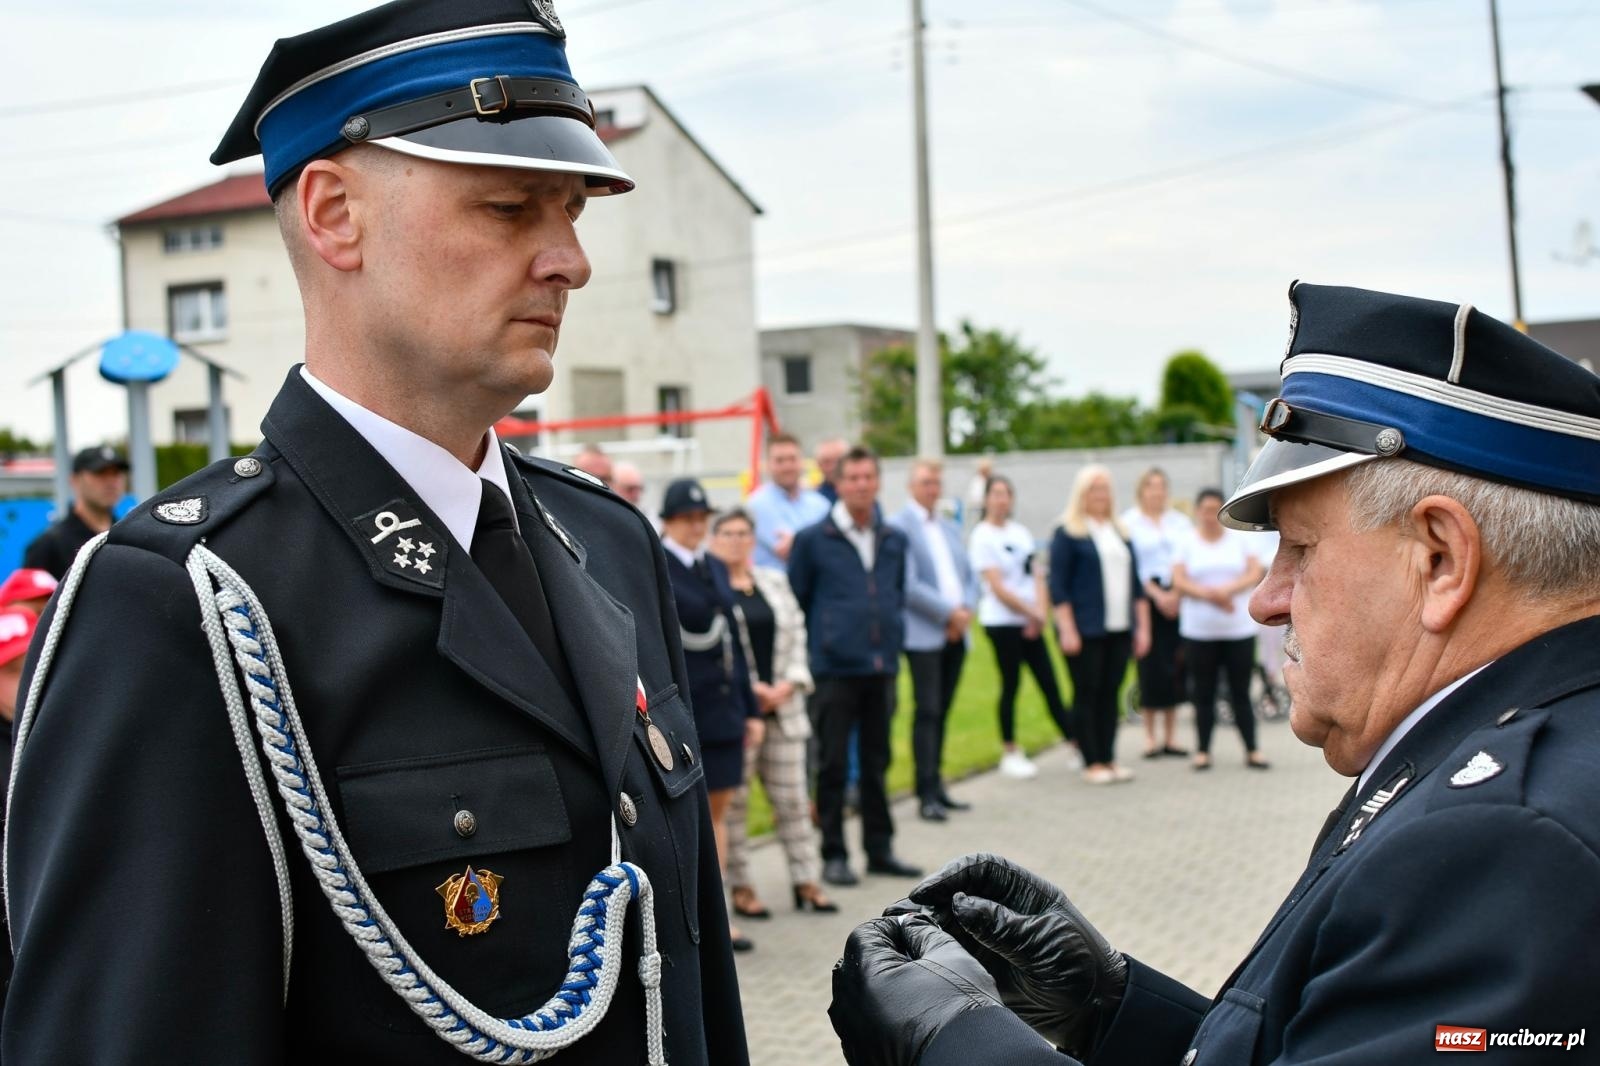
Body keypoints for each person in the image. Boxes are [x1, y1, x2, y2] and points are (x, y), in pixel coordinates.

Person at [3, 4, 748, 1062]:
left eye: (574, 212)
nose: (570, 261)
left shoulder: (608, 540)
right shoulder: (185, 602)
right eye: (509, 207)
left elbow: (685, 988)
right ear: (334, 215)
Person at [829, 282, 1600, 1066]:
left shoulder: (1500, 843)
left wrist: (958, 1047)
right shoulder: (1514, 762)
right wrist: (1111, 1009)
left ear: (1438, 559)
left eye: (1300, 547)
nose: (1267, 599)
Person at [788, 446, 921, 886]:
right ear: (839, 484)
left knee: (876, 761)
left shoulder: (893, 539)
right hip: (833, 670)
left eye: (869, 477)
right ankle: (834, 853)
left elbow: (894, 594)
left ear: (878, 482)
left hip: (881, 667)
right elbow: (799, 600)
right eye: (853, 478)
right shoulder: (813, 540)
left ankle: (879, 848)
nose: (862, 485)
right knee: (831, 764)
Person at [710, 509, 838, 918]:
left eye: (743, 533)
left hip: (784, 709)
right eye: (727, 533)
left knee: (794, 801)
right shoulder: (709, 587)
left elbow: (799, 634)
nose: (736, 541)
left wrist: (790, 682)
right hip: (739, 714)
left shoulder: (774, 581)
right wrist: (751, 690)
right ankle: (742, 888)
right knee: (734, 808)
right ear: (714, 540)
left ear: (753, 539)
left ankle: (807, 880)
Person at [658, 480, 763, 952]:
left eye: (702, 517)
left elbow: (732, 642)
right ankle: (693, 916)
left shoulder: (712, 566)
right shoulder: (658, 563)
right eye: (687, 518)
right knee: (687, 819)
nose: (696, 525)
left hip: (720, 710)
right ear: (669, 520)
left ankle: (715, 916)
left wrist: (749, 708)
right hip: (683, 711)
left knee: (716, 816)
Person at [967, 475, 1076, 780]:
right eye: (995, 494)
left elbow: (1036, 575)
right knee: (1011, 684)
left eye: (1006, 494)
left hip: (1031, 622)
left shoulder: (1021, 533)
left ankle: (1075, 742)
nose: (1001, 500)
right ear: (986, 499)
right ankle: (1010, 750)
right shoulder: (982, 536)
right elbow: (997, 587)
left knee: (1049, 683)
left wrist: (1040, 613)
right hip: (1003, 623)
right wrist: (1031, 613)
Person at [1048, 466, 1150, 785]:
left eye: (1104, 488)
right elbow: (1058, 586)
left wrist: (1142, 628)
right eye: (1094, 488)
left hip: (1118, 628)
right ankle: (1090, 760)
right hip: (1084, 629)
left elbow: (1136, 586)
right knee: (1087, 693)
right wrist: (1067, 628)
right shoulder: (1068, 532)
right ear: (1081, 493)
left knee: (1110, 693)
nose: (1100, 495)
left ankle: (1108, 757)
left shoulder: (1120, 532)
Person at [891, 459, 976, 821]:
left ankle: (938, 784)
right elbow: (908, 584)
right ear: (911, 486)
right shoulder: (900, 527)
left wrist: (965, 610)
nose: (932, 489)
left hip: (957, 631)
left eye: (936, 483)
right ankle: (924, 791)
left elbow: (969, 574)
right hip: (925, 633)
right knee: (927, 711)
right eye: (926, 482)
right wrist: (949, 614)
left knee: (943, 710)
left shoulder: (949, 526)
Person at [1172, 487, 1269, 770]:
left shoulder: (1238, 539)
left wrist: (1227, 590)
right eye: (1204, 510)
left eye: (1214, 510)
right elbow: (1178, 580)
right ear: (1197, 512)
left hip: (1238, 631)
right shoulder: (1186, 541)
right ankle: (1203, 750)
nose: (1209, 515)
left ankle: (1252, 749)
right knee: (1202, 692)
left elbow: (1254, 572)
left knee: (1241, 692)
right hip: (1199, 632)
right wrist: (1210, 595)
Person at [1120, 467, 1192, 759]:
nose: (1157, 492)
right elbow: (1131, 566)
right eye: (1151, 486)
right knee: (1150, 666)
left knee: (1174, 666)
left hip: (1177, 596)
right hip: (1146, 598)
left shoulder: (1179, 522)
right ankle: (1149, 735)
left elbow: (1187, 559)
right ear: (1142, 491)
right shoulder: (1129, 522)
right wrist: (1157, 595)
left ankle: (1171, 736)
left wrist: (1176, 593)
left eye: (1161, 486)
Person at [22, 446, 128, 579]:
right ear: (75, 480)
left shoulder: (128, 537)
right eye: (100, 473)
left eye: (116, 473)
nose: (111, 482)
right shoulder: (48, 546)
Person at [745, 432, 829, 571]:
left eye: (792, 459)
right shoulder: (758, 505)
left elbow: (834, 549)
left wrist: (796, 540)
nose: (787, 466)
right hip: (776, 583)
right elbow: (789, 552)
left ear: (802, 461)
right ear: (768, 465)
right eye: (780, 460)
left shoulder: (820, 504)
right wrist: (819, 542)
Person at [813, 436, 850, 504]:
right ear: (818, 465)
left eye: (839, 460)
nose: (834, 466)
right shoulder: (815, 499)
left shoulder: (863, 490)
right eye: (827, 462)